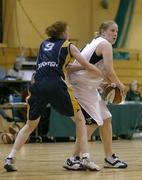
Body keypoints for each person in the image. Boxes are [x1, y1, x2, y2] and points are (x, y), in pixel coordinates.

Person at [4, 21, 102, 172]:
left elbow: (43, 65)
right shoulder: (68, 45)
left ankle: (10, 157)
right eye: (67, 30)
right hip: (56, 85)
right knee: (81, 120)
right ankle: (85, 158)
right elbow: (87, 65)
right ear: (63, 33)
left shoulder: (43, 45)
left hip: (38, 85)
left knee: (30, 125)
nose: (68, 33)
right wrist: (100, 73)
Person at [65, 20, 127, 169]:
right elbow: (108, 69)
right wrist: (120, 84)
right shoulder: (105, 44)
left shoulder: (92, 43)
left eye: (117, 32)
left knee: (106, 119)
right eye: (112, 30)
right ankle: (73, 158)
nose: (115, 34)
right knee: (92, 123)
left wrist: (104, 83)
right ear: (103, 32)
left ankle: (109, 157)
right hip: (81, 86)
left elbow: (92, 69)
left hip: (86, 85)